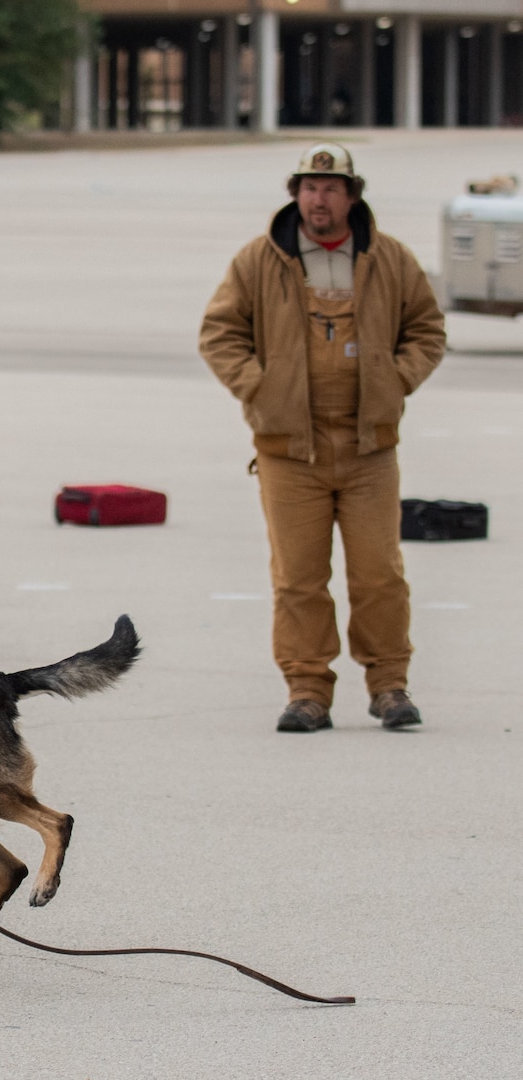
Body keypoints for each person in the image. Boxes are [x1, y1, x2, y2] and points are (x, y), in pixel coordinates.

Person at [199, 142, 445, 734]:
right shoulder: (259, 261)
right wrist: (261, 390)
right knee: (298, 578)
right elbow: (219, 334)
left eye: (331, 188)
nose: (319, 198)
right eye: (309, 187)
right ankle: (307, 690)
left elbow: (427, 331)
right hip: (289, 455)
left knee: (379, 573)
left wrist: (394, 380)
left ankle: (389, 686)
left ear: (352, 196)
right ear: (296, 194)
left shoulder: (391, 260)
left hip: (370, 452)